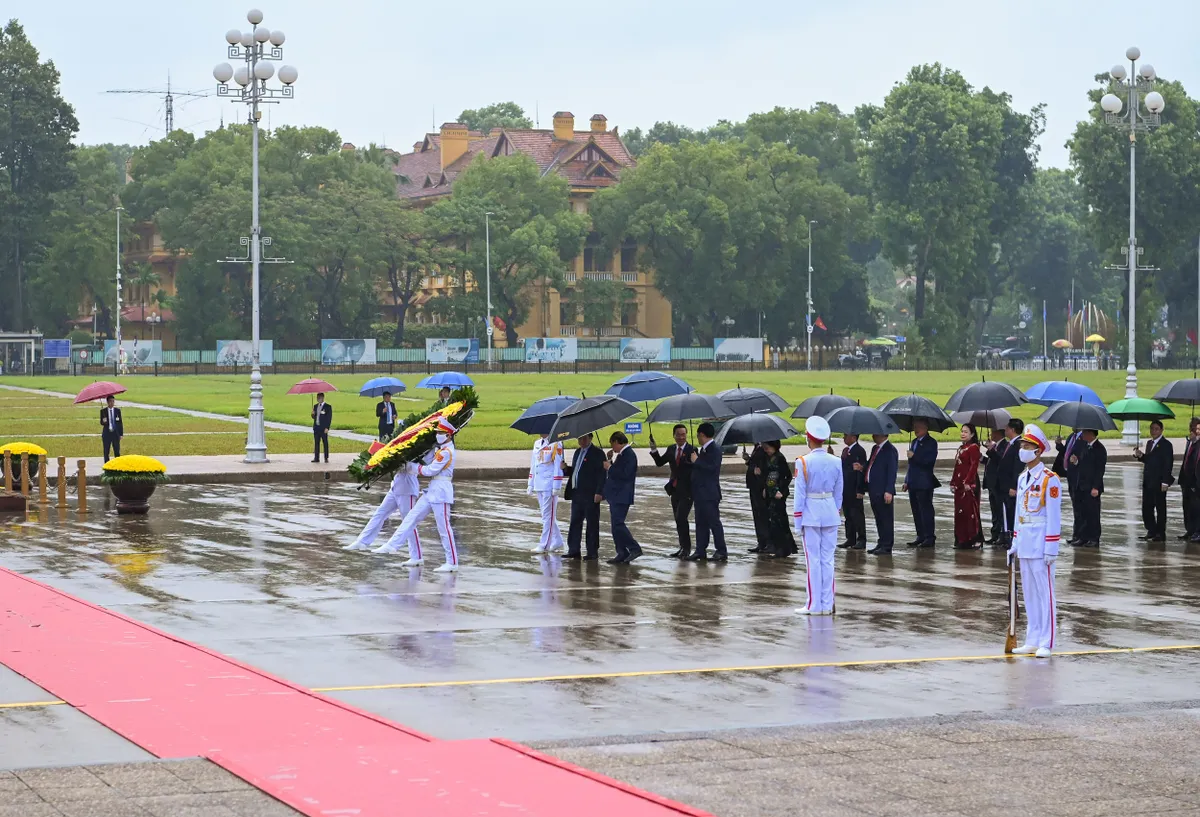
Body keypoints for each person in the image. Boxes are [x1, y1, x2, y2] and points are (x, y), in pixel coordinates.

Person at [376, 418, 460, 572]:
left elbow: (430, 470)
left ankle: (452, 562)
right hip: (432, 490)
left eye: (441, 433)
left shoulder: (446, 453)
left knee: (444, 528)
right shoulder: (440, 450)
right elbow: (427, 462)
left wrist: (411, 467)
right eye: (437, 432)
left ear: (448, 435)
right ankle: (395, 546)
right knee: (411, 517)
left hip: (441, 492)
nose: (438, 435)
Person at [1006, 424, 1061, 658]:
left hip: (1041, 543)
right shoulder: (1022, 478)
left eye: (1026, 446)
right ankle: (1032, 638)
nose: (1022, 450)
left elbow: (1054, 516)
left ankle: (1046, 641)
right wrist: (1015, 542)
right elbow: (1019, 512)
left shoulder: (1050, 479)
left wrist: (1051, 547)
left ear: (1037, 451)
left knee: (1044, 593)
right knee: (1029, 593)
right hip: (1026, 541)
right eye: (1021, 445)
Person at [793, 417, 844, 615]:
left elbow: (800, 495)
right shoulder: (836, 461)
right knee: (828, 560)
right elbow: (839, 492)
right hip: (830, 512)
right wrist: (835, 511)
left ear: (808, 438)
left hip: (811, 514)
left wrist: (797, 521)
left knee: (813, 561)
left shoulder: (803, 462)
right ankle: (826, 603)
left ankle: (813, 605)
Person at [344, 462, 420, 552]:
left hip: (407, 489)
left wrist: (406, 465)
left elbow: (423, 466)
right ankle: (362, 541)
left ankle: (416, 556)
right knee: (380, 513)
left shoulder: (426, 451)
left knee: (409, 522)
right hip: (395, 486)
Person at [649, 424, 695, 559]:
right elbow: (659, 462)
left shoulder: (692, 450)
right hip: (674, 489)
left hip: (687, 491)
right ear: (673, 435)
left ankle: (687, 548)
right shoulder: (671, 449)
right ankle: (682, 547)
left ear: (686, 435)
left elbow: (696, 467)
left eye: (683, 434)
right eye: (678, 434)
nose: (681, 437)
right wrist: (654, 449)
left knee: (682, 518)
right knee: (677, 519)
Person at [688, 423, 728, 562]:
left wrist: (697, 461)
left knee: (714, 522)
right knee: (700, 523)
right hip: (700, 493)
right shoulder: (704, 450)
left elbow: (712, 468)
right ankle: (700, 550)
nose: (697, 438)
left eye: (698, 436)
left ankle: (721, 550)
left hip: (709, 493)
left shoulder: (715, 449)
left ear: (702, 435)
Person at [564, 432, 606, 560]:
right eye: (579, 438)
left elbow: (601, 475)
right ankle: (574, 549)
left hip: (590, 494)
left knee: (592, 523)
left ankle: (592, 551)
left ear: (590, 438)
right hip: (577, 493)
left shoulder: (597, 453)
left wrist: (599, 492)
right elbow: (577, 471)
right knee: (575, 522)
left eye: (584, 438)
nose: (581, 441)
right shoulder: (577, 452)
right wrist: (566, 469)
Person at [602, 431, 642, 564]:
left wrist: (609, 467)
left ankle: (634, 548)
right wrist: (610, 461)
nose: (612, 448)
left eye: (612, 444)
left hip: (622, 495)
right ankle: (621, 551)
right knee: (615, 526)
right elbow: (617, 471)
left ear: (617, 442)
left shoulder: (629, 454)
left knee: (618, 524)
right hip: (616, 494)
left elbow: (625, 474)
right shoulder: (622, 454)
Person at [1133, 420, 1174, 542]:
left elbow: (1168, 464)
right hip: (1148, 481)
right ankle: (1151, 530)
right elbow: (1149, 460)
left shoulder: (1166, 445)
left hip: (1159, 481)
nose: (1153, 431)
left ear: (1161, 430)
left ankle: (1160, 533)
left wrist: (1165, 481)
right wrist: (1141, 456)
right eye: (1152, 429)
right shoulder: (1149, 443)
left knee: (1160, 508)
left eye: (1156, 429)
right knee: (1147, 508)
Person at [901, 418, 938, 548]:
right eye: (914, 426)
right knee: (916, 510)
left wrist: (914, 456)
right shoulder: (914, 442)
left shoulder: (931, 443)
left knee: (925, 510)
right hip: (913, 482)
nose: (916, 429)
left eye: (919, 427)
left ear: (926, 428)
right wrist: (906, 480)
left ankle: (929, 536)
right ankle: (920, 535)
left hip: (924, 482)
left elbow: (929, 462)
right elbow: (911, 466)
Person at [527, 432, 565, 554]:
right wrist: (530, 483)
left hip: (549, 485)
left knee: (548, 516)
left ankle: (544, 545)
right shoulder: (537, 443)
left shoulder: (556, 444)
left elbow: (558, 466)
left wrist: (556, 485)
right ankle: (558, 540)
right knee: (545, 516)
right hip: (539, 483)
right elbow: (534, 464)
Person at [760, 440, 796, 557]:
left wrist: (780, 489)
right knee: (772, 520)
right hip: (770, 492)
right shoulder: (767, 458)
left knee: (780, 520)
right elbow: (767, 475)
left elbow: (788, 476)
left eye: (768, 448)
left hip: (779, 493)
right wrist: (766, 488)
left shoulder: (780, 458)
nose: (766, 451)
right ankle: (776, 546)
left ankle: (784, 547)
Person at [950, 423, 983, 549]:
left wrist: (968, 482)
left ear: (972, 434)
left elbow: (974, 466)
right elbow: (957, 467)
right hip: (959, 485)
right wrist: (953, 482)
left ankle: (975, 539)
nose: (963, 434)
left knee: (971, 512)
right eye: (962, 431)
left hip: (969, 484)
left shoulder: (974, 448)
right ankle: (961, 539)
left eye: (966, 432)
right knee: (960, 512)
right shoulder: (961, 448)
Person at [865, 432, 898, 555]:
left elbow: (892, 471)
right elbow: (871, 465)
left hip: (883, 490)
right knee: (879, 518)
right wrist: (862, 467)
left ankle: (887, 545)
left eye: (876, 433)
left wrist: (889, 490)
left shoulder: (890, 450)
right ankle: (881, 542)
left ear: (883, 435)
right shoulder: (876, 448)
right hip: (874, 488)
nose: (873, 435)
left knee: (886, 518)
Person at [1074, 428, 1107, 547]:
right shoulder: (1085, 446)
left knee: (1093, 514)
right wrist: (1076, 462)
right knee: (1083, 513)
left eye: (1084, 433)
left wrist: (1095, 487)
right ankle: (1083, 537)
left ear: (1091, 434)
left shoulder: (1099, 449)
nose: (1082, 435)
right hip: (1082, 485)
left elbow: (1099, 470)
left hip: (1092, 487)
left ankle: (1094, 538)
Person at [998, 418, 1025, 546]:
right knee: (1006, 512)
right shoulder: (1010, 444)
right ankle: (1007, 535)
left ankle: (1012, 537)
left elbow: (1017, 467)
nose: (1005, 430)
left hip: (1011, 487)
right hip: (1004, 485)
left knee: (1011, 512)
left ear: (1013, 430)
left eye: (1007, 428)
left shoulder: (1019, 444)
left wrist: (1014, 486)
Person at [1056, 428, 1084, 545]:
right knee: (1075, 507)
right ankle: (1076, 534)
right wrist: (1059, 445)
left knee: (1080, 508)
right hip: (1070, 475)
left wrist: (1077, 462)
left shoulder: (1083, 438)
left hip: (1079, 477)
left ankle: (1082, 535)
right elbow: (1066, 452)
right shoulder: (1072, 436)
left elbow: (1085, 457)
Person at [839, 432, 867, 550]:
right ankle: (850, 538)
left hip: (854, 487)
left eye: (846, 435)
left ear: (854, 437)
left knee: (857, 515)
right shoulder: (845, 450)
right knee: (848, 515)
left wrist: (860, 490)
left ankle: (861, 539)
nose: (844, 437)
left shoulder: (859, 451)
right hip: (845, 488)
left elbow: (861, 471)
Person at [744, 443, 771, 553]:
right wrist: (748, 460)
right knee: (757, 514)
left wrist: (766, 486)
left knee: (763, 514)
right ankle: (761, 542)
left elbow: (765, 467)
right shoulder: (757, 447)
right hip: (754, 485)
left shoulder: (764, 449)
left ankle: (768, 542)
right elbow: (755, 463)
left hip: (760, 485)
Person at [982, 428, 1008, 544]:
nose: (991, 434)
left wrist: (991, 450)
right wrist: (981, 458)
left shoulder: (1004, 446)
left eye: (993, 432)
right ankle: (995, 533)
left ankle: (1001, 534)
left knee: (999, 509)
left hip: (998, 483)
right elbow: (990, 461)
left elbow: (1000, 460)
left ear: (998, 434)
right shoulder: (996, 446)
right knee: (994, 510)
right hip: (991, 482)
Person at [1180, 419, 1200, 541]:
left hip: (1196, 482)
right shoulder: (1190, 442)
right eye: (1193, 428)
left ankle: (1197, 531)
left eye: (1197, 429)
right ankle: (1190, 530)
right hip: (1186, 481)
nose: (1195, 431)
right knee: (1187, 507)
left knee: (1196, 508)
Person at [100, 395, 124, 462]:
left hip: (115, 433)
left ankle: (117, 465)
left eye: (113, 401)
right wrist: (104, 421)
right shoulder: (103, 411)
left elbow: (120, 422)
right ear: (107, 402)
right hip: (107, 434)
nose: (112, 403)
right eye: (110, 401)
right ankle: (107, 465)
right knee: (106, 451)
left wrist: (121, 434)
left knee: (117, 450)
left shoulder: (117, 411)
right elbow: (101, 422)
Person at [311, 393, 332, 463]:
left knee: (325, 443)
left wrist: (327, 428)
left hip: (323, 428)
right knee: (316, 443)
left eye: (319, 398)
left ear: (323, 398)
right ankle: (316, 458)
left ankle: (326, 457)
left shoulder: (328, 407)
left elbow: (329, 418)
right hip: (316, 428)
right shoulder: (315, 406)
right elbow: (314, 417)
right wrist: (312, 414)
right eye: (317, 398)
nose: (318, 399)